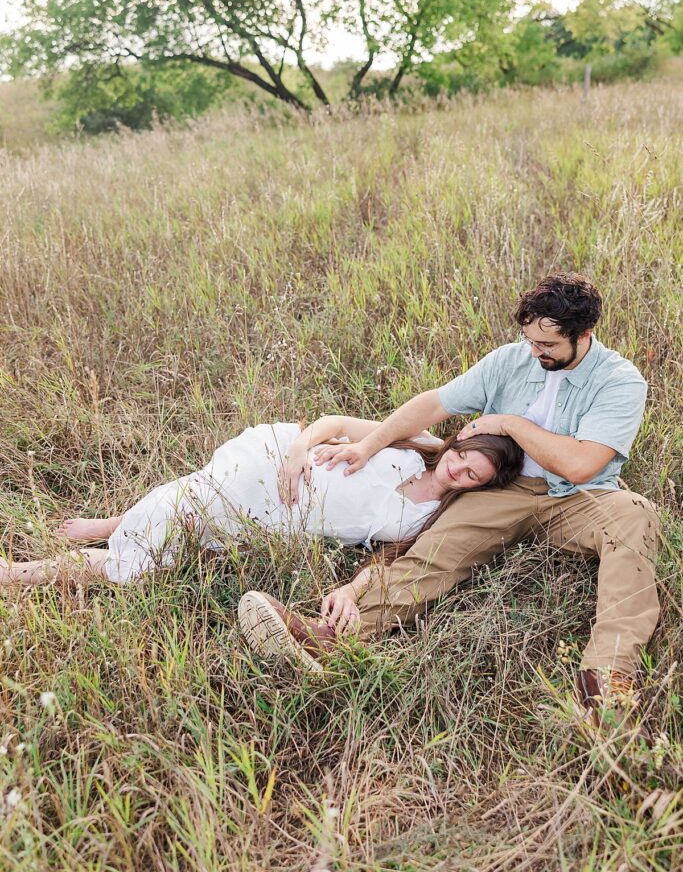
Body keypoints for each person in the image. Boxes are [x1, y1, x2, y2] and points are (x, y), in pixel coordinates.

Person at [239, 273, 661, 731]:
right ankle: (328, 637)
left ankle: (606, 682)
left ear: (583, 335)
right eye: (529, 339)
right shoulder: (511, 361)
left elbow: (581, 465)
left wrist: (510, 425)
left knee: (636, 517)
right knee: (434, 554)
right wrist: (370, 445)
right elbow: (432, 406)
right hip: (503, 488)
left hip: (578, 495)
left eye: (547, 344)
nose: (535, 352)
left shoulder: (620, 382)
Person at [0, 415, 522, 589]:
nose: (458, 471)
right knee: (142, 561)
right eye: (463, 457)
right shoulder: (419, 443)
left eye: (473, 476)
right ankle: (22, 573)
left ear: (483, 486)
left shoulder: (432, 519)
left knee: (188, 514)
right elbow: (334, 426)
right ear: (458, 442)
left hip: (278, 523)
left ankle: (112, 525)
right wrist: (298, 450)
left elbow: (390, 563)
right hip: (275, 465)